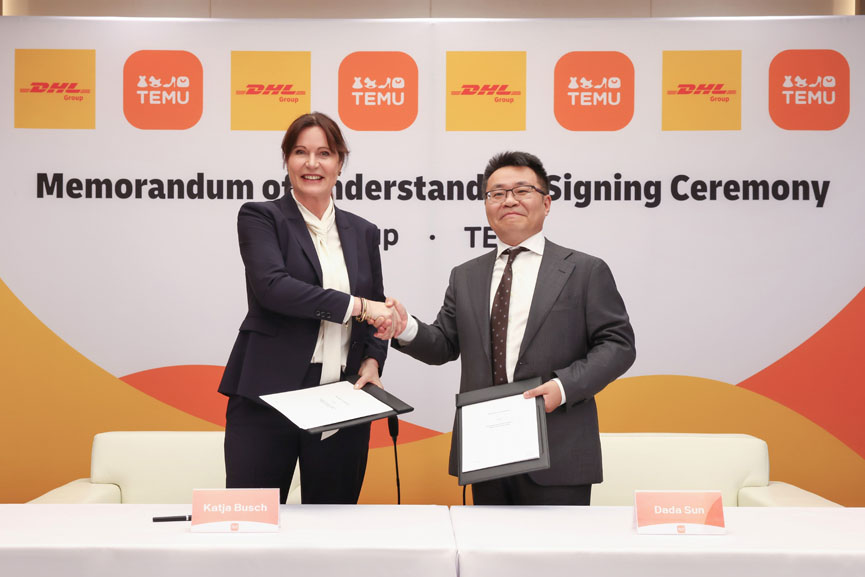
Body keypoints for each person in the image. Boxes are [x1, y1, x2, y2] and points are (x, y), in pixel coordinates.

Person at [383, 151, 635, 505]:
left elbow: (618, 345)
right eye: (497, 193)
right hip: (486, 452)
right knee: (486, 543)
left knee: (556, 543)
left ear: (546, 203)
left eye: (522, 190)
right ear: (487, 206)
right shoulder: (466, 275)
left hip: (558, 451)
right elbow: (443, 344)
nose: (509, 200)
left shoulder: (584, 270)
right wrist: (404, 327)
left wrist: (563, 387)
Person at [218, 112, 398, 504]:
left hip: (343, 396)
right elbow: (274, 289)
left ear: (340, 162)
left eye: (324, 153)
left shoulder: (363, 231)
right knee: (252, 517)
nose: (312, 163)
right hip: (268, 393)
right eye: (300, 152)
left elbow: (376, 306)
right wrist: (358, 305)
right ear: (286, 160)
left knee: (333, 521)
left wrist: (372, 361)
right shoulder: (261, 217)